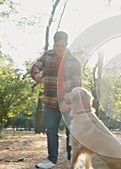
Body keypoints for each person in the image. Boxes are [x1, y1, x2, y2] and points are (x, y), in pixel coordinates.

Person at [31, 31, 81, 168]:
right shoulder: (48, 56)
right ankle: (52, 160)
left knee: (72, 131)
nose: (60, 49)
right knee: (51, 130)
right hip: (50, 102)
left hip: (68, 104)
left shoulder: (74, 61)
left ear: (67, 44)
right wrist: (37, 75)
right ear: (54, 44)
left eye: (63, 46)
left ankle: (74, 158)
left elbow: (77, 87)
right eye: (58, 46)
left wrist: (66, 101)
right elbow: (36, 66)